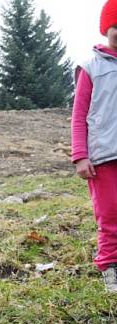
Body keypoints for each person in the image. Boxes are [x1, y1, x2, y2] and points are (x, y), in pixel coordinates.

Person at [71, 0, 117, 292]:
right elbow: (78, 116)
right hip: (103, 157)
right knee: (110, 214)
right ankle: (110, 267)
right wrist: (80, 156)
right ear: (106, 28)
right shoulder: (91, 67)